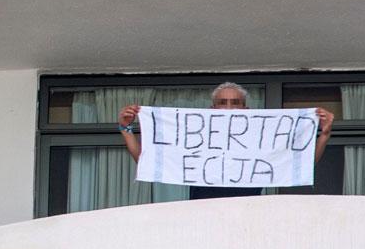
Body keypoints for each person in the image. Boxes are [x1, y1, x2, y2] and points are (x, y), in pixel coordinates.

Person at [116, 82, 334, 199]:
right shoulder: (197, 135)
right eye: (223, 103)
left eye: (235, 103)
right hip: (202, 218)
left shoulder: (258, 136)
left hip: (246, 220)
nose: (229, 108)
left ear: (245, 109)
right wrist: (126, 128)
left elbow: (298, 166)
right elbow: (153, 163)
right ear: (213, 109)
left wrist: (323, 135)